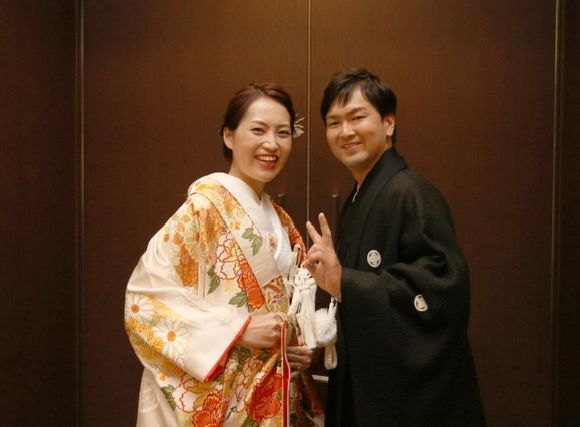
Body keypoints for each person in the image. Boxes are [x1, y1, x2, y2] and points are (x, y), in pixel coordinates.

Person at [125, 83, 322, 426]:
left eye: (283, 133)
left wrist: (295, 346)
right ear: (229, 137)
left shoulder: (282, 220)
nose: (271, 144)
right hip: (227, 399)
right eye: (258, 130)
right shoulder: (202, 209)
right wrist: (238, 329)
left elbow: (286, 310)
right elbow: (144, 301)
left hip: (272, 395)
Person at [304, 68, 485, 426]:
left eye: (357, 117)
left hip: (407, 403)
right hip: (368, 388)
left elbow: (442, 291)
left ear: (388, 123)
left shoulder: (411, 192)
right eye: (334, 122)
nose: (345, 132)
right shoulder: (360, 197)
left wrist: (346, 284)